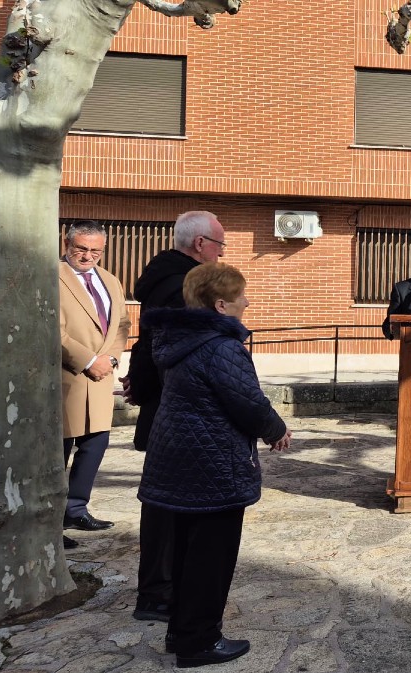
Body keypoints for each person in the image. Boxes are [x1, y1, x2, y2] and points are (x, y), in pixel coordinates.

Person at [138, 263, 291, 668]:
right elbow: (247, 402)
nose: (247, 302)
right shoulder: (222, 347)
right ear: (221, 305)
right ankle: (199, 641)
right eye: (241, 296)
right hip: (212, 463)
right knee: (211, 555)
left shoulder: (178, 339)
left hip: (177, 458)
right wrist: (276, 429)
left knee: (186, 551)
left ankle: (181, 631)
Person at [123, 211, 225, 623]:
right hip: (181, 409)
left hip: (166, 404)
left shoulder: (163, 277)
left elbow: (150, 342)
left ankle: (161, 590)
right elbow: (183, 352)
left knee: (166, 499)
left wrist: (140, 380)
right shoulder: (186, 284)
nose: (220, 254)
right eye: (219, 245)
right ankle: (159, 593)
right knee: (168, 504)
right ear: (200, 244)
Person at [58, 221, 131, 550]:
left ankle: (75, 510)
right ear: (67, 243)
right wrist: (88, 360)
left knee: (94, 445)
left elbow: (122, 324)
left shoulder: (111, 280)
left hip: (101, 377)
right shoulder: (50, 276)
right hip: (66, 377)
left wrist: (111, 359)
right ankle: (50, 522)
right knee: (57, 453)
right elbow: (50, 328)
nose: (88, 256)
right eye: (82, 248)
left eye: (96, 251)